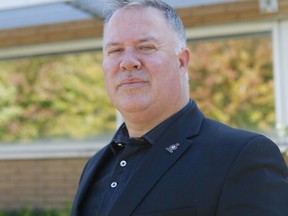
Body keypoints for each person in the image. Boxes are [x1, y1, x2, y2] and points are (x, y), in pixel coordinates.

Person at [71, 0, 288, 215]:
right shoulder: (95, 166)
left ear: (182, 62)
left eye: (146, 47)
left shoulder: (242, 157)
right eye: (115, 50)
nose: (127, 62)